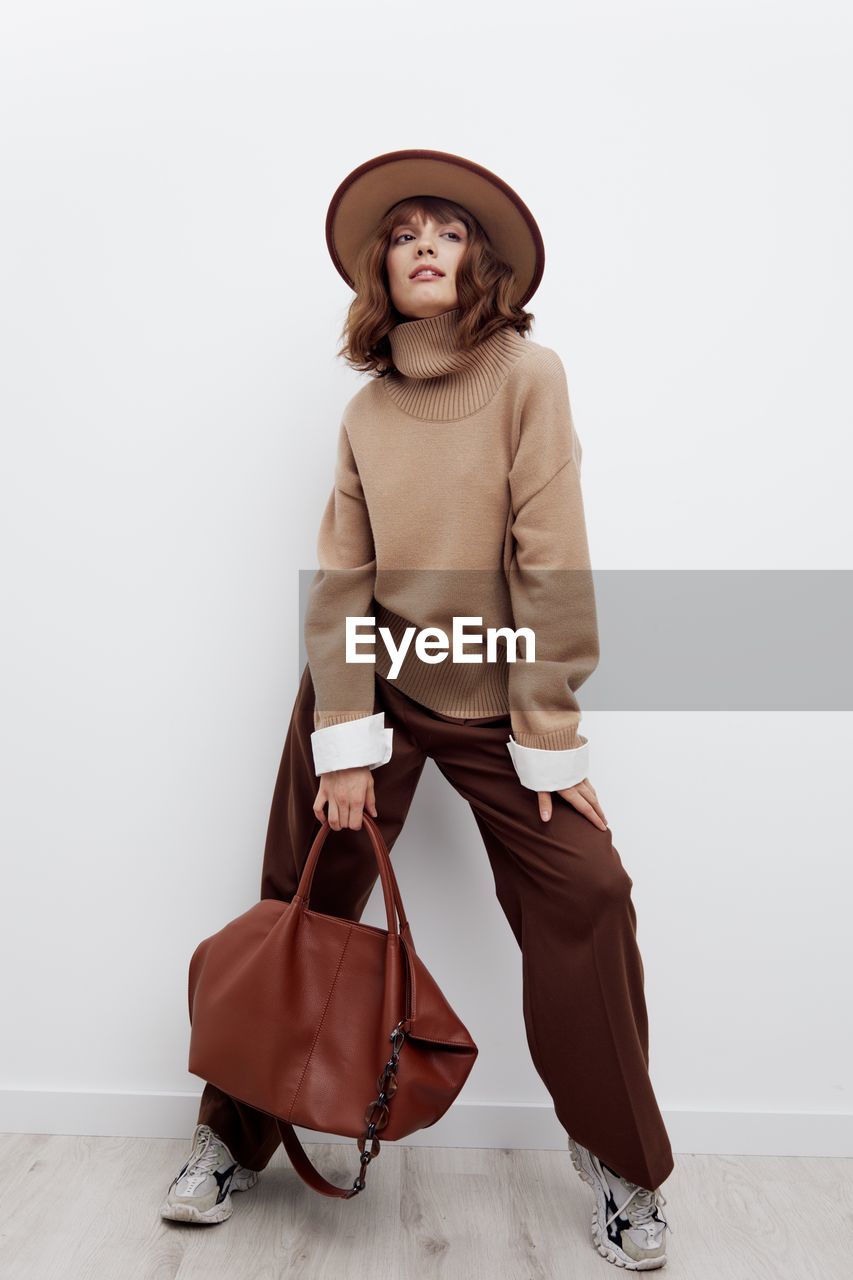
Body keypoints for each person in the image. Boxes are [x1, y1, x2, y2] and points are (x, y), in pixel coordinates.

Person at [160, 149, 674, 1270]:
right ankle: (228, 1138)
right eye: (403, 235)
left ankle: (621, 1161)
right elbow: (343, 580)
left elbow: (549, 559)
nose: (425, 245)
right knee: (301, 900)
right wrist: (343, 740)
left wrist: (544, 732)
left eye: (446, 231)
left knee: (589, 891)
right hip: (372, 684)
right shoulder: (365, 411)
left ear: (479, 261)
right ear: (379, 274)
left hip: (493, 684)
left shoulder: (529, 376)